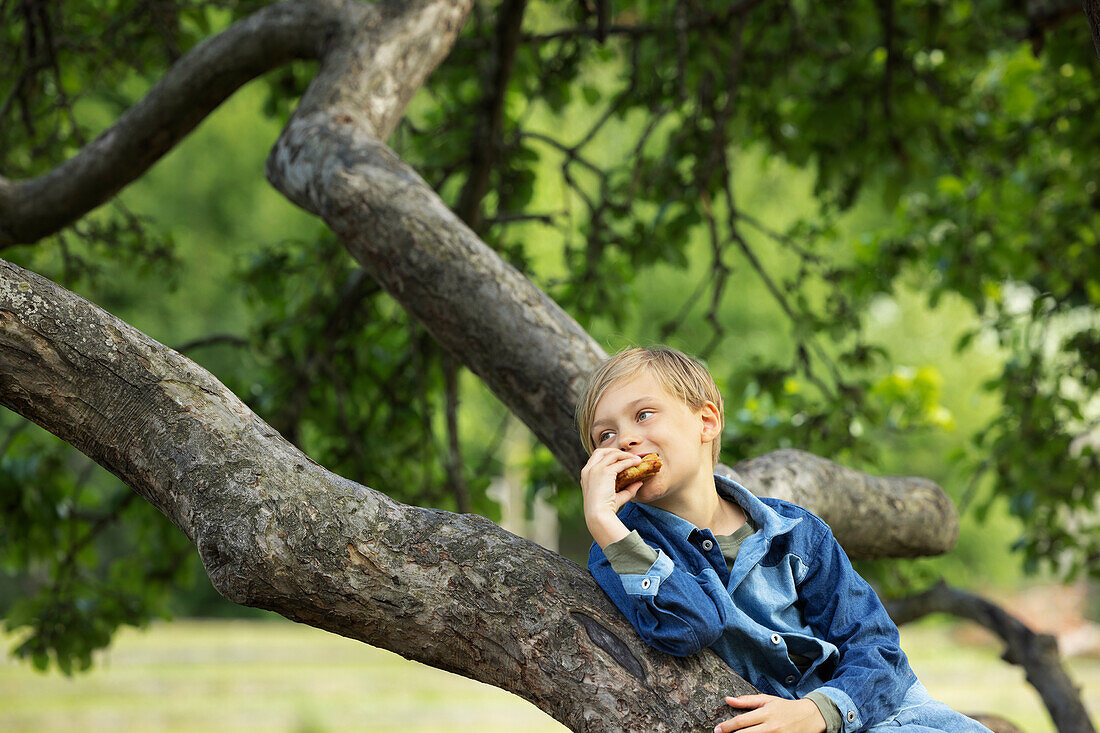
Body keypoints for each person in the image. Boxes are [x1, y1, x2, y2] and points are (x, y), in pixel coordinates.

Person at [577, 346, 992, 733]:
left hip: (882, 713)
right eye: (605, 436)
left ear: (706, 421)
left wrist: (817, 711)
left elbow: (875, 644)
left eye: (644, 414)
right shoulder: (619, 549)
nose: (625, 440)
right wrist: (603, 520)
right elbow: (691, 627)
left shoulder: (795, 532)